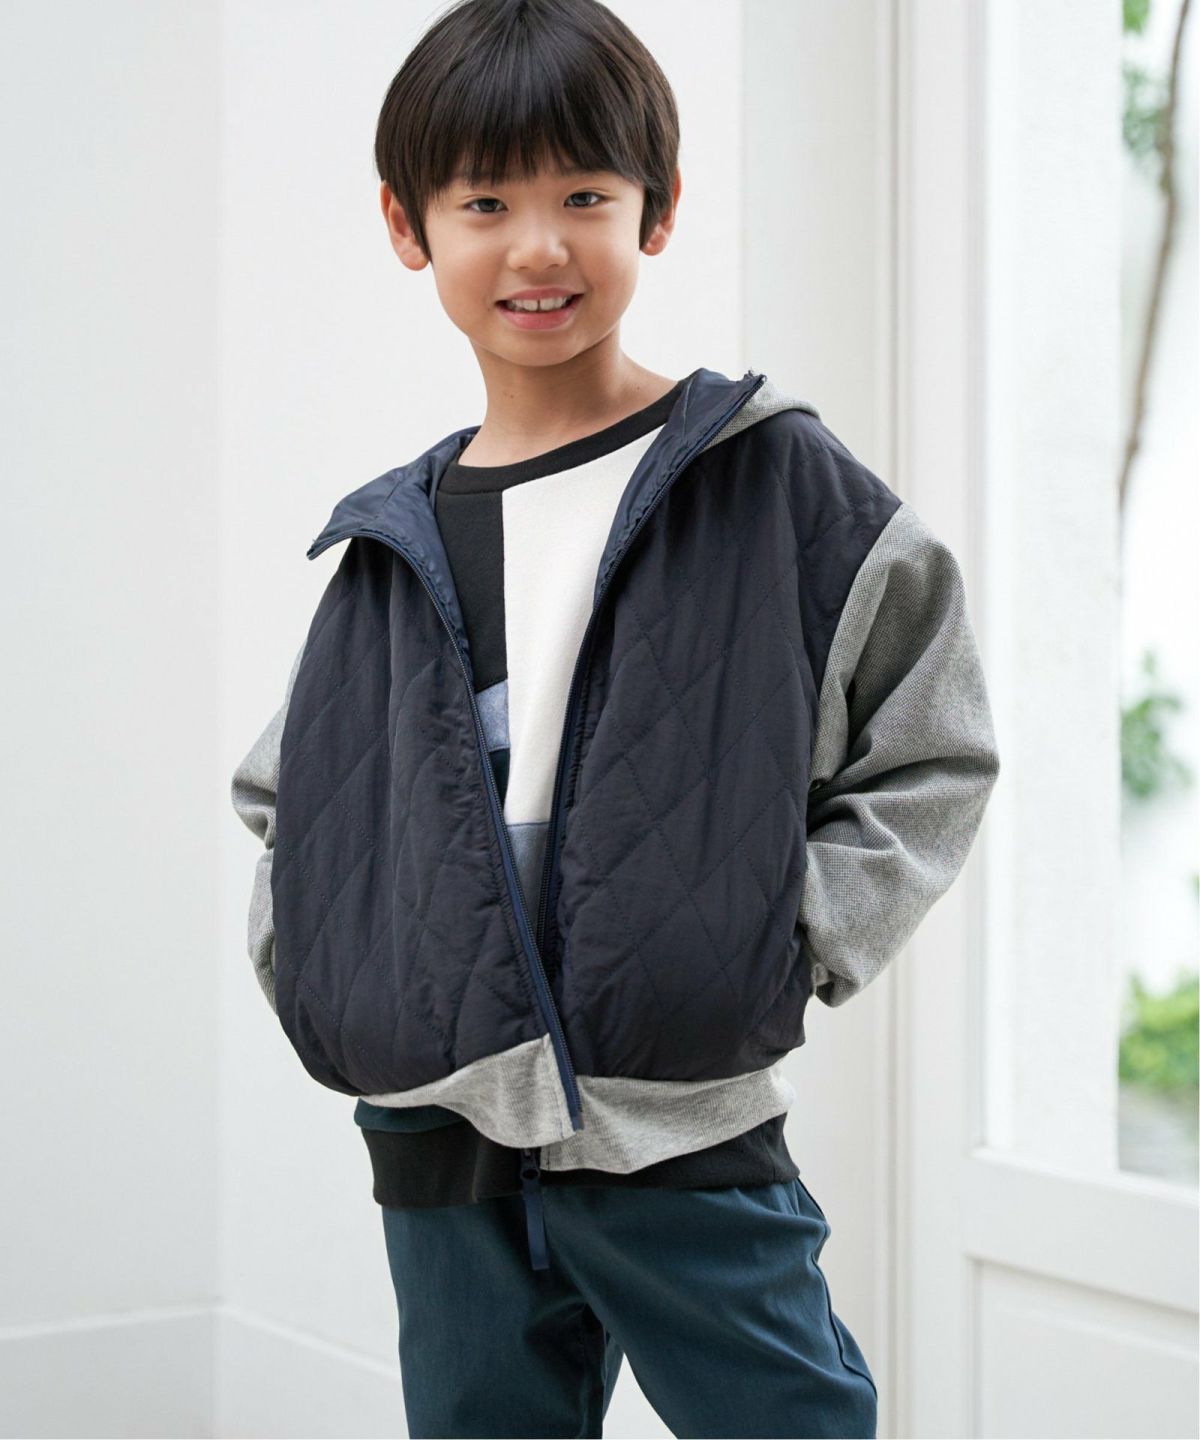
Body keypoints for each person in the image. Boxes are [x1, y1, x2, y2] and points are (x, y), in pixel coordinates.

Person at [230, 0, 1000, 1434]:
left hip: (677, 1122)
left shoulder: (771, 480)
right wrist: (336, 984)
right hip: (440, 1135)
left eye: (586, 195)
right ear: (408, 226)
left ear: (660, 208)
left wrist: (789, 936)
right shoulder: (389, 541)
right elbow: (295, 797)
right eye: (485, 203)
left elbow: (933, 744)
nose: (539, 245)